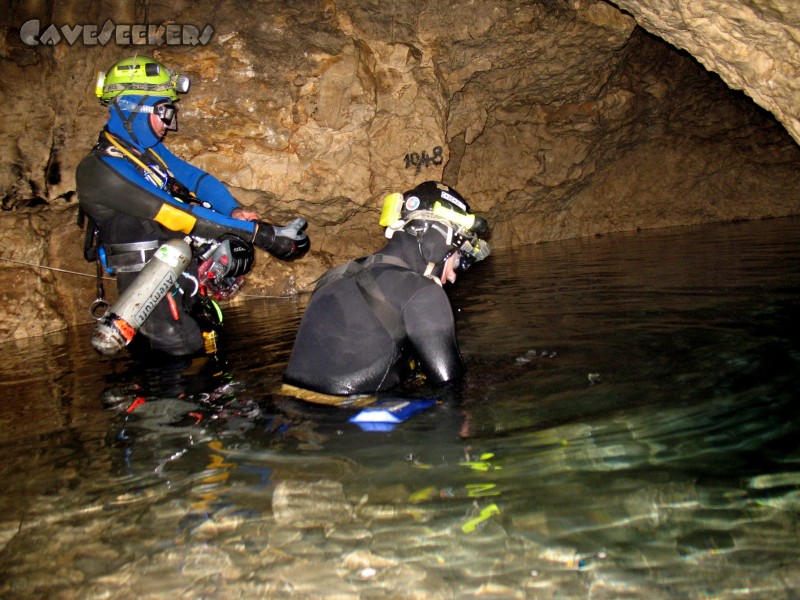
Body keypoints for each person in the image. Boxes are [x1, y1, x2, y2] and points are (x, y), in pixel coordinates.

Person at [76, 56, 309, 357]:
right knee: (183, 353)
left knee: (206, 353)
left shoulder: (146, 153)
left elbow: (197, 180)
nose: (169, 124)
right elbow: (177, 214)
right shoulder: (101, 170)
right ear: (130, 107)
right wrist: (262, 235)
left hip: (179, 276)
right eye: (163, 111)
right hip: (148, 291)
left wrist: (233, 211)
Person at [282, 181, 490, 400]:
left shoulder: (331, 279)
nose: (453, 275)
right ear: (440, 239)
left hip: (290, 417)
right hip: (349, 425)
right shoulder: (423, 293)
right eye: (457, 261)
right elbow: (452, 393)